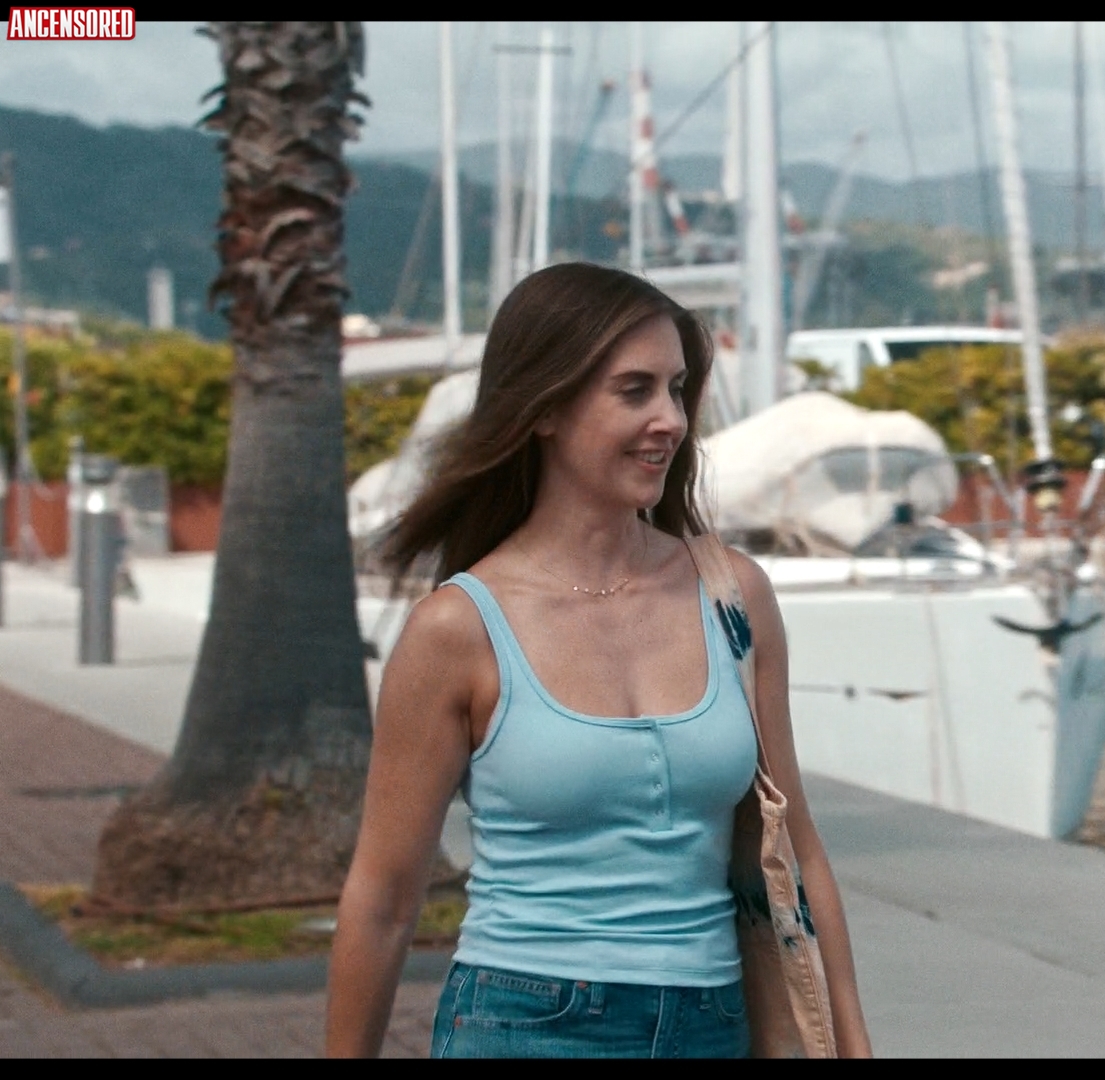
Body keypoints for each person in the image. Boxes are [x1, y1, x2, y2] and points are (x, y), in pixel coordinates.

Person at [324, 264, 871, 1058]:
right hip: (524, 1023)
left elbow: (800, 849)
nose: (670, 420)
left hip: (713, 1025)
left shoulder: (733, 595)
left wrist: (850, 1041)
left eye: (676, 389)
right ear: (545, 407)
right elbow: (383, 896)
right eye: (634, 391)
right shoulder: (458, 629)